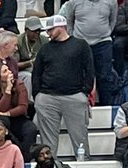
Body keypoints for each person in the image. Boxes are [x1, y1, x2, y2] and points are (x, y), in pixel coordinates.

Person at [33, 15, 95, 157]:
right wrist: (38, 96)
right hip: (47, 97)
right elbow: (37, 73)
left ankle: (84, 166)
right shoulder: (45, 49)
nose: (48, 33)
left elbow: (90, 70)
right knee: (48, 141)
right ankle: (48, 167)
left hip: (74, 96)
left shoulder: (80, 45)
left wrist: (84, 92)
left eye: (50, 30)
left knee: (80, 136)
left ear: (61, 27)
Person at [63, 0, 118, 106]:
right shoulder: (73, 1)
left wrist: (105, 34)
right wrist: (74, 39)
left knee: (105, 77)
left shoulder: (111, 1)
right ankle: (79, 105)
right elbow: (69, 21)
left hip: (103, 42)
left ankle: (106, 106)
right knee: (79, 76)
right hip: (80, 43)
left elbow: (113, 21)